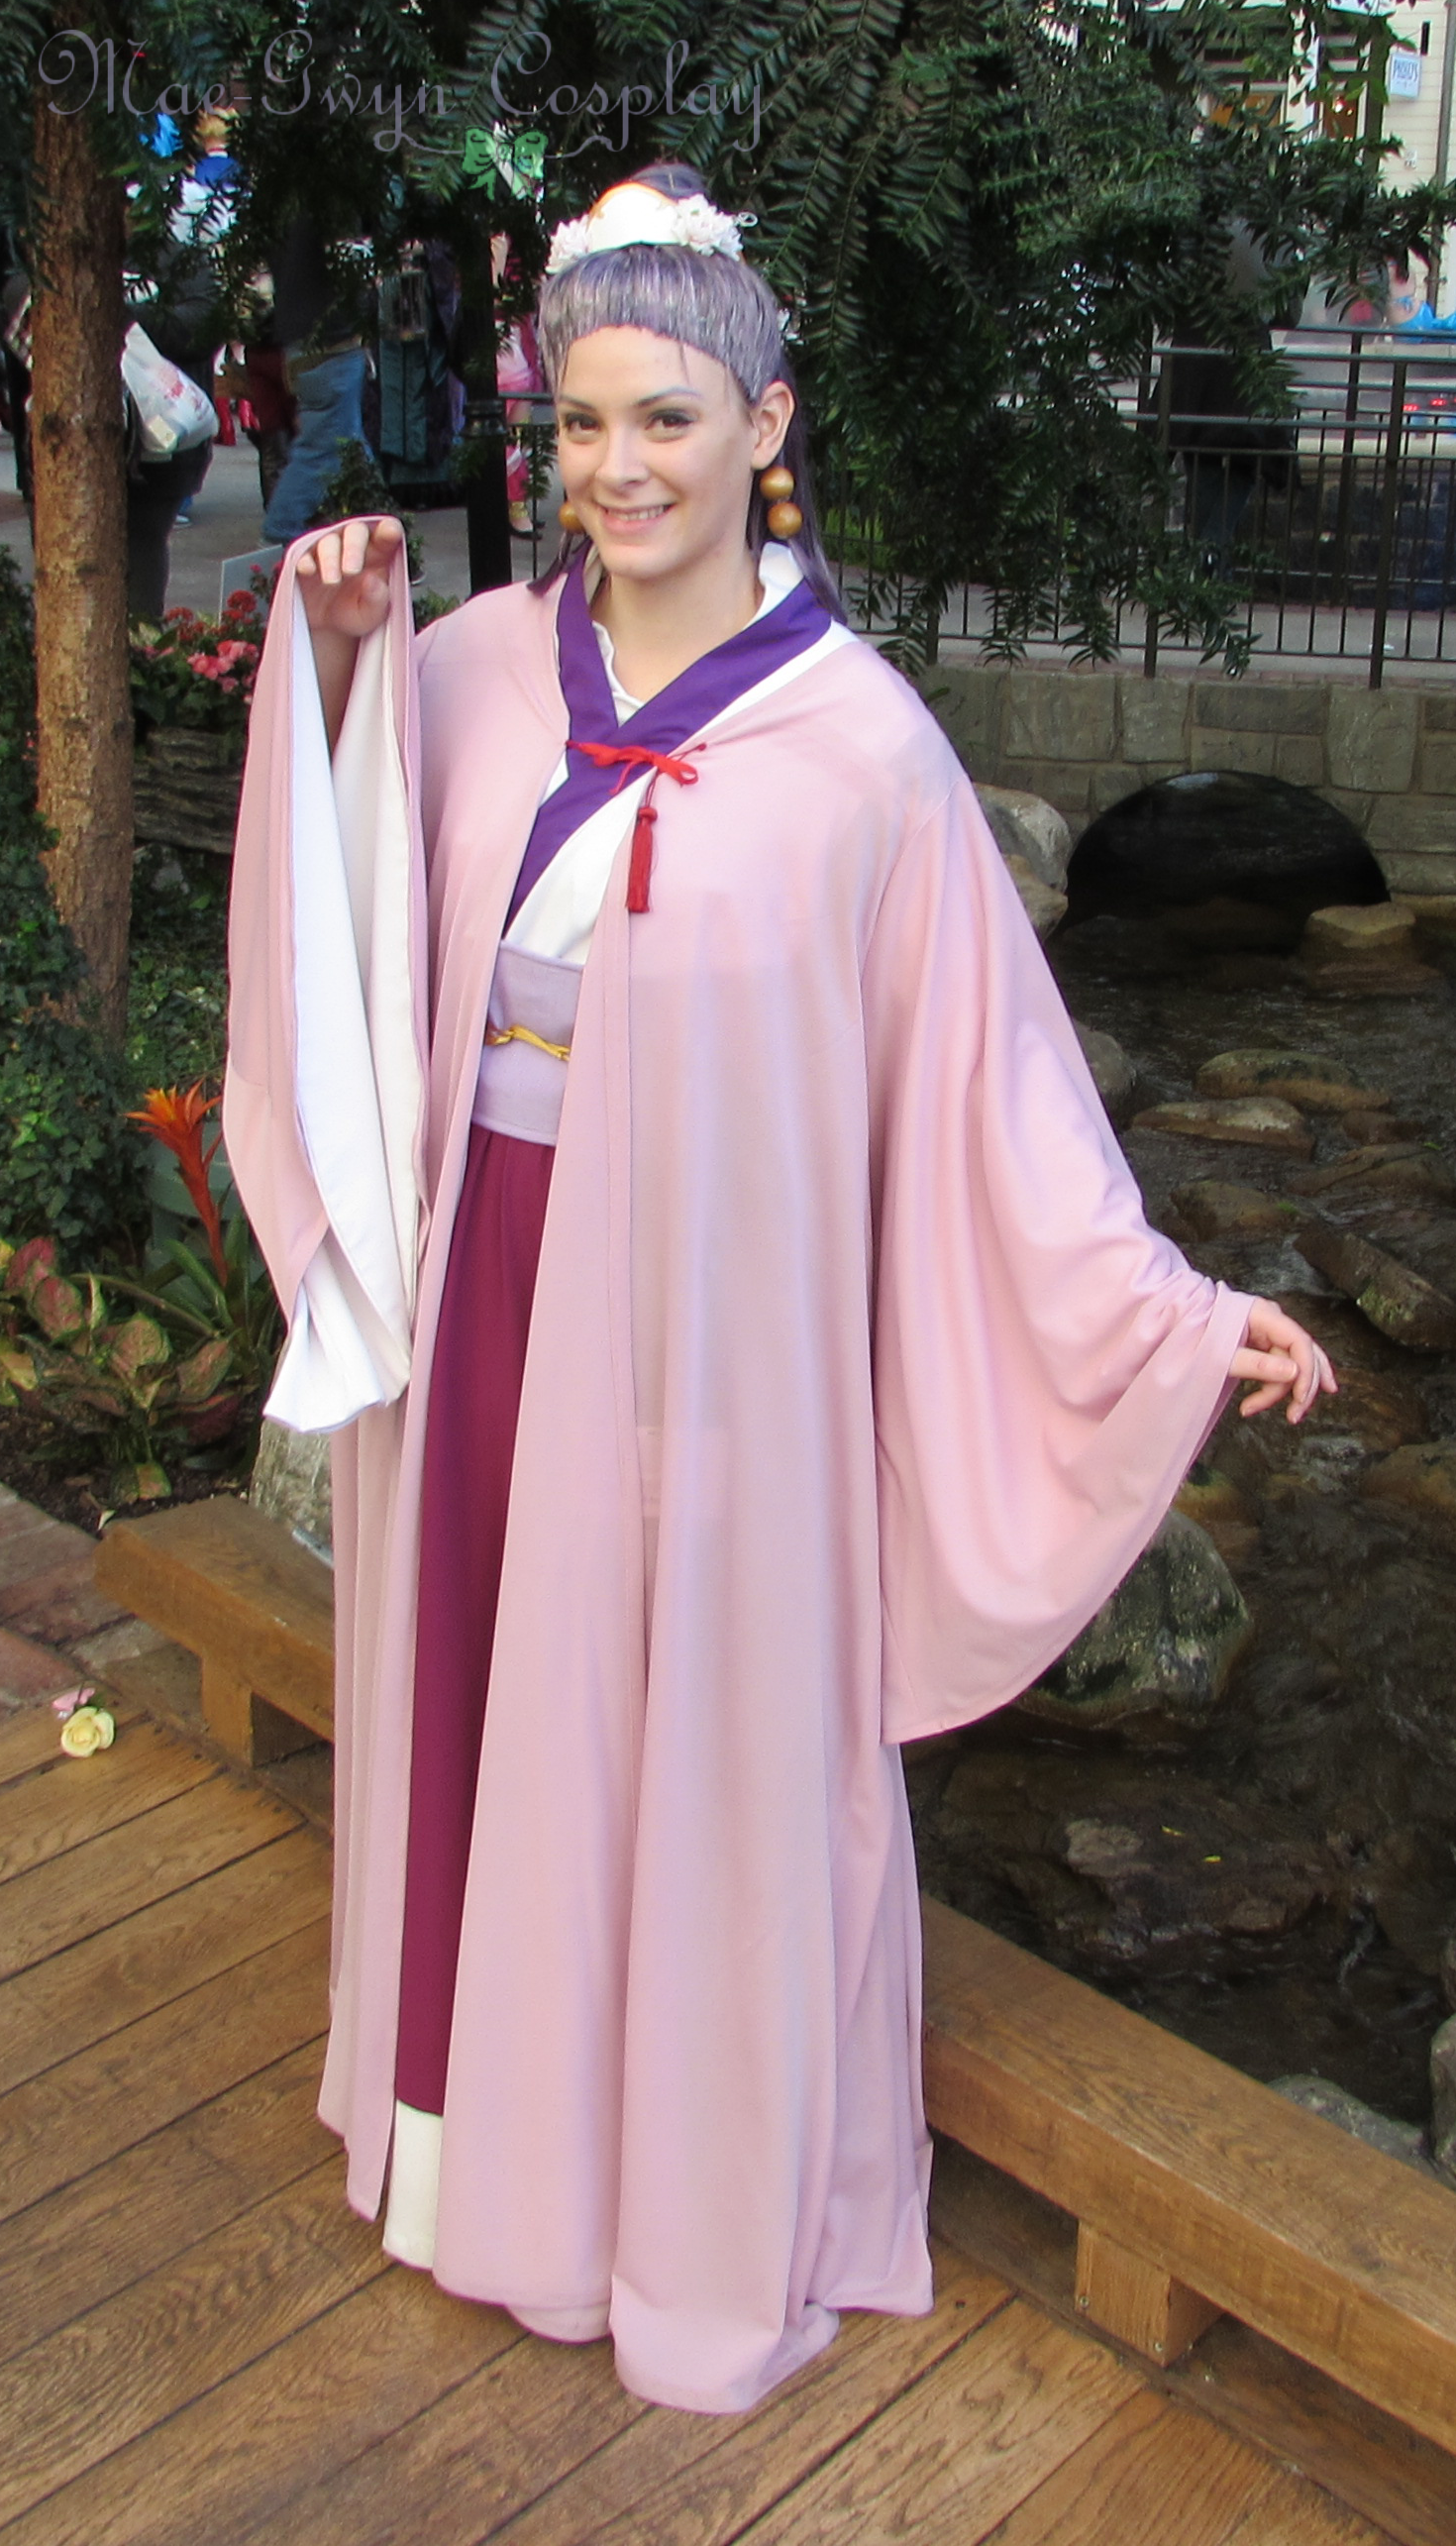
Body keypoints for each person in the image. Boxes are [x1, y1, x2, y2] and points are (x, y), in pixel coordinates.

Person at [224, 163, 1335, 2418]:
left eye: (667, 420)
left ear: (766, 422)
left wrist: (1166, 1314)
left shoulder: (863, 752)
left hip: (712, 1355)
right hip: (488, 1297)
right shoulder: (473, 671)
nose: (619, 470)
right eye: (583, 425)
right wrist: (328, 665)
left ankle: (670, 2207)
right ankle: (472, 2160)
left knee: (693, 1754)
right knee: (488, 1715)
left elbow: (984, 1092)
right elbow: (346, 933)